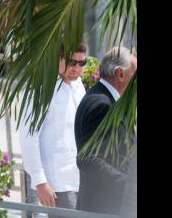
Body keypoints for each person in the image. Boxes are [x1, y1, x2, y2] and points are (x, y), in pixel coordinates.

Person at [19, 42, 87, 218]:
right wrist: (40, 181)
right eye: (72, 62)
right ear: (59, 59)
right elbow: (28, 136)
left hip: (82, 179)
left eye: (82, 63)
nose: (77, 68)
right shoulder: (43, 90)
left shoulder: (80, 87)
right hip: (57, 182)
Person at [74, 47, 137, 214]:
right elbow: (88, 159)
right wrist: (129, 186)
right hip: (104, 207)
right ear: (120, 74)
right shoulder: (101, 104)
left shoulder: (106, 100)